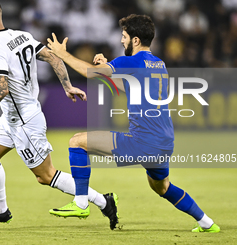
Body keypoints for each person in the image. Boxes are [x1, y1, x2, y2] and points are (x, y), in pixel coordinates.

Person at [47, 14, 220, 233]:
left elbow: (89, 73)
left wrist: (63, 55)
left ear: (135, 40)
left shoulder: (130, 61)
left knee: (77, 142)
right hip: (164, 142)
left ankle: (81, 203)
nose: (121, 41)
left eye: (124, 36)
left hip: (143, 141)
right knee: (161, 186)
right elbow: (125, 87)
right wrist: (106, 70)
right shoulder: (158, 64)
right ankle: (207, 223)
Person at [0, 0, 119, 229]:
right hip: (12, 117)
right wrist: (67, 85)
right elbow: (52, 56)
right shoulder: (21, 35)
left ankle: (103, 201)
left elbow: (1, 88)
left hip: (24, 121)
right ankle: (0, 210)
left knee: (45, 176)